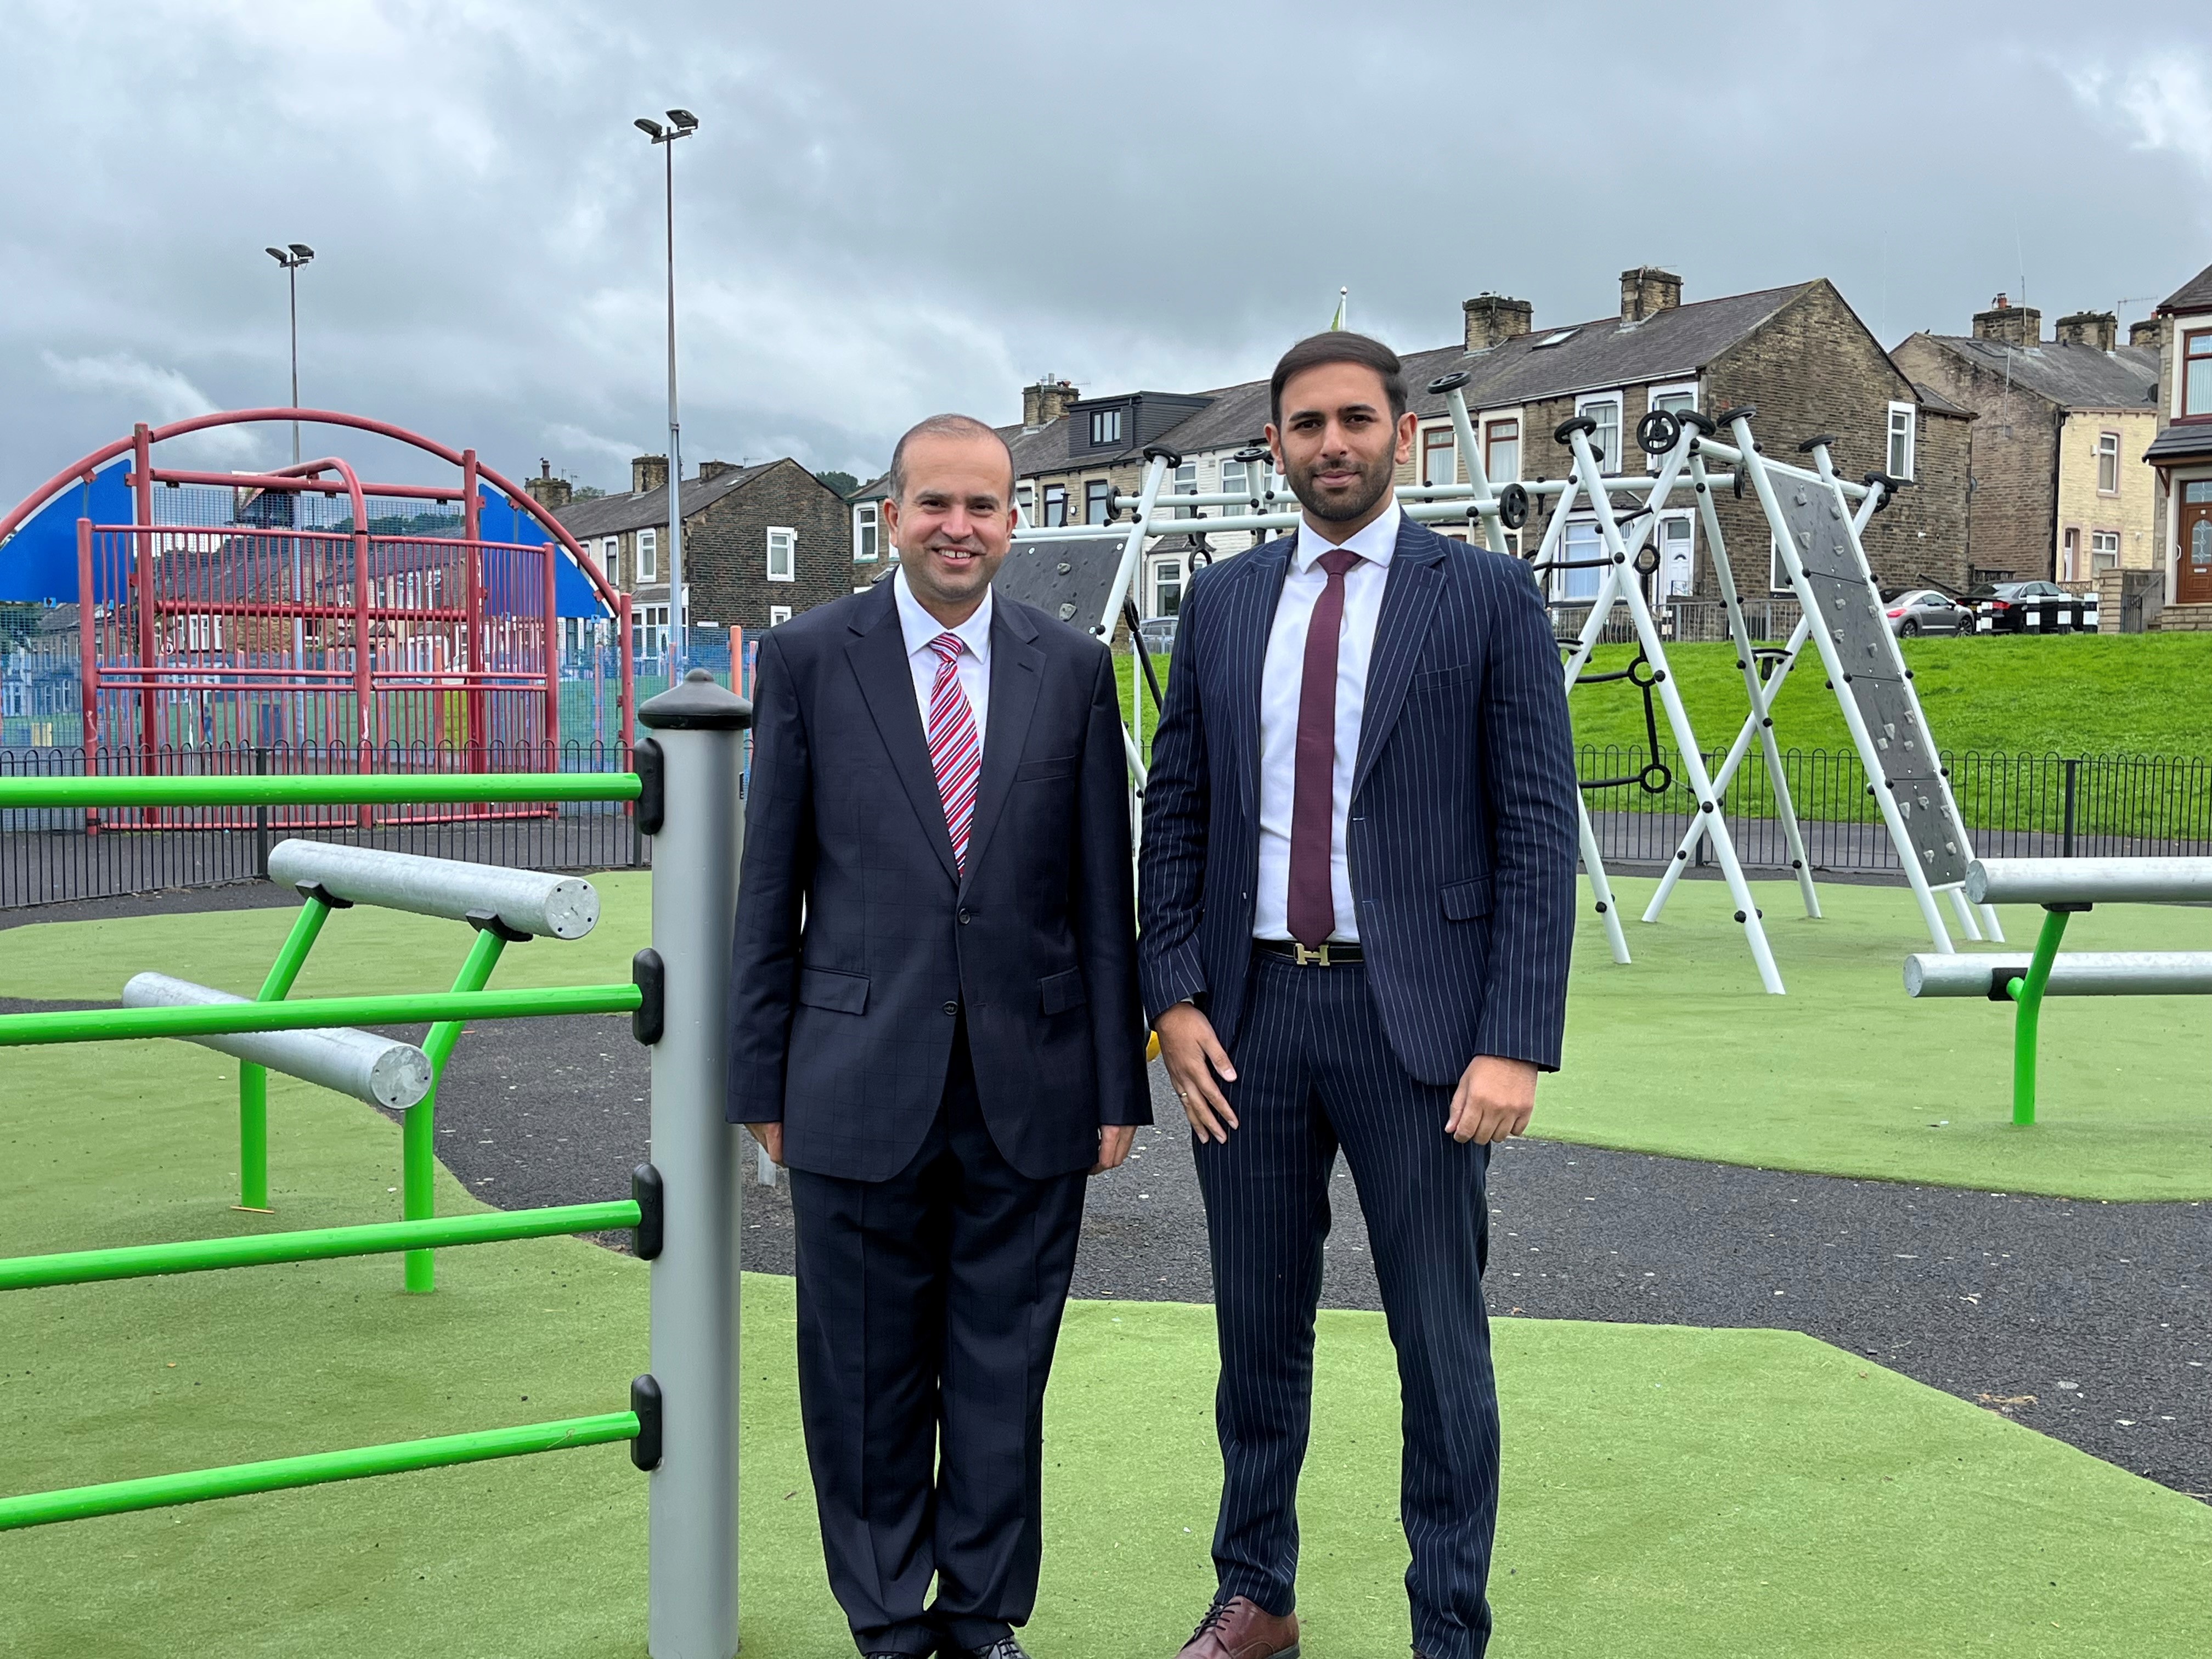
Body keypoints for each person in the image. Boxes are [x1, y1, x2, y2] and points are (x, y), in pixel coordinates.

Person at [1139, 333, 1579, 1659]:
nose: (1331, 443)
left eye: (1355, 420)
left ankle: (1448, 1625)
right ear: (1272, 444)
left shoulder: (1487, 596)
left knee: (1441, 1346)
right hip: (1251, 1024)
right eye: (1305, 424)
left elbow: (1537, 832)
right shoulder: (1218, 605)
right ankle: (1255, 1592)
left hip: (1424, 1033)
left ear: (1401, 434)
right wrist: (1173, 998)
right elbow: (1176, 813)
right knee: (1256, 1337)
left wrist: (1513, 1042)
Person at [729, 413, 1149, 1659]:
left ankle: (980, 1615)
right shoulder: (811, 658)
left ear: (1016, 522)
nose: (959, 529)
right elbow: (772, 889)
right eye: (934, 506)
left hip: (1033, 1084)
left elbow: (1099, 895)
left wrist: (1114, 1082)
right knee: (862, 1378)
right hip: (854, 1078)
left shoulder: (1070, 669)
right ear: (894, 516)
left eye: (983, 508)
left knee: (1003, 1373)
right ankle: (884, 1618)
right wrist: (762, 1077)